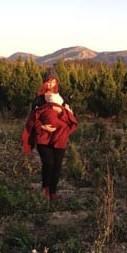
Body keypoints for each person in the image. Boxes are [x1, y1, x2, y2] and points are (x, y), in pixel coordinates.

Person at [22, 68, 78, 201]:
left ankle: (53, 192)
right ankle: (45, 189)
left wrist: (60, 110)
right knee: (48, 163)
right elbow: (32, 119)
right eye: (48, 82)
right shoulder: (39, 100)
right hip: (43, 137)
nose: (50, 85)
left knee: (57, 165)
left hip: (59, 137)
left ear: (56, 82)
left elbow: (70, 118)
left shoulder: (62, 99)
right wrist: (42, 126)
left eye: (53, 82)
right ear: (44, 83)